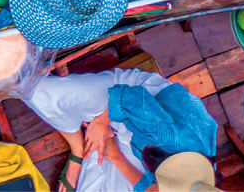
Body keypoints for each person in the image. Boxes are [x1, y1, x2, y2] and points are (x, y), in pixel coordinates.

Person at [24, 69, 219, 192]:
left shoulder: (194, 183)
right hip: (136, 99)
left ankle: (98, 145)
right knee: (36, 92)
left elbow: (146, 187)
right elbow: (129, 97)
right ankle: (78, 148)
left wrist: (114, 155)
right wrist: (100, 124)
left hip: (142, 146)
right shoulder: (172, 138)